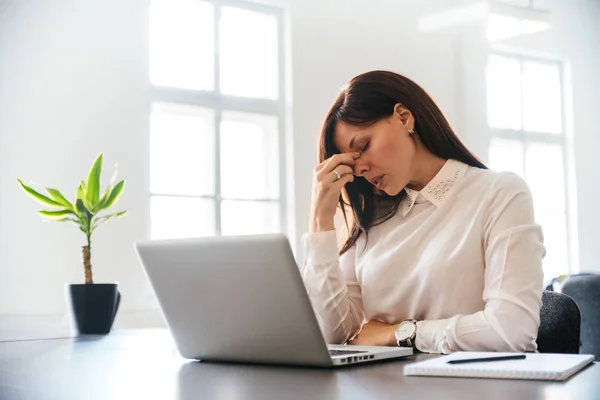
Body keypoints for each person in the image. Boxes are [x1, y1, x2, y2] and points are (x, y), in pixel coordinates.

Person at [301, 70, 545, 354]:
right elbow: (332, 334)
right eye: (353, 163)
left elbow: (511, 332)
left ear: (404, 117)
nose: (361, 169)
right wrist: (320, 223)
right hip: (387, 388)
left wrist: (401, 334)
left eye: (364, 146)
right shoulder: (372, 218)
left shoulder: (499, 193)